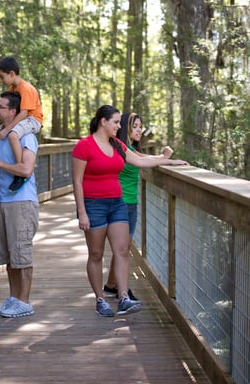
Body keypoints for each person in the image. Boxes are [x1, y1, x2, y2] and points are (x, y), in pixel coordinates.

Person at [72, 105, 188, 317]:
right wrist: (82, 212)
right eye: (116, 122)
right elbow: (77, 182)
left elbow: (140, 160)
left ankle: (123, 297)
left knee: (122, 250)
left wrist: (168, 160)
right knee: (96, 254)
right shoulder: (84, 146)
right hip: (93, 205)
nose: (119, 126)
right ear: (103, 122)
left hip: (117, 203)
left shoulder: (117, 144)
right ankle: (100, 300)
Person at [0, 90, 39, 318]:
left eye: (0, 106)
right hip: (3, 200)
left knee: (22, 255)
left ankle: (25, 302)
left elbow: (26, 169)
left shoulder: (26, 137)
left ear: (12, 111)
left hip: (22, 203)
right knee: (9, 257)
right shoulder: (3, 135)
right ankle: (14, 299)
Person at [103, 112, 173, 300]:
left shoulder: (130, 148)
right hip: (120, 203)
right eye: (134, 126)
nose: (139, 130)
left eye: (141, 126)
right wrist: (167, 159)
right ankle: (122, 290)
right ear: (125, 128)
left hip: (131, 203)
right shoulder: (119, 147)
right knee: (122, 249)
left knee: (122, 249)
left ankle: (111, 286)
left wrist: (167, 158)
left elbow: (146, 158)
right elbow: (143, 161)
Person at [0, 56, 43, 193]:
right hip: (22, 119)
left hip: (32, 119)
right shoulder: (13, 88)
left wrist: (7, 129)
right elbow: (8, 112)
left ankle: (19, 173)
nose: (1, 80)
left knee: (13, 135)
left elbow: (23, 113)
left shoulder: (26, 88)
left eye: (1, 77)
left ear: (12, 73)